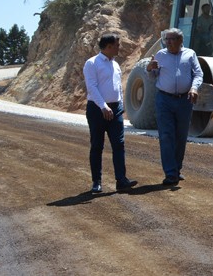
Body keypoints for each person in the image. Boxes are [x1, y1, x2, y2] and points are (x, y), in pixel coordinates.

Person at [147, 28, 203, 186]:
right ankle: (170, 173)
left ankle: (176, 169)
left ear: (180, 41)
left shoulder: (190, 54)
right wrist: (149, 68)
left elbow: (198, 74)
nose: (168, 42)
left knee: (181, 136)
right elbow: (152, 77)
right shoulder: (160, 55)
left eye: (172, 39)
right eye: (167, 39)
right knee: (166, 135)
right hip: (164, 100)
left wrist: (194, 88)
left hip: (185, 101)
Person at [83, 33, 137, 193]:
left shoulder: (115, 64)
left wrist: (120, 104)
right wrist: (103, 106)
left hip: (115, 110)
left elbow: (117, 86)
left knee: (119, 145)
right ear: (108, 46)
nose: (119, 48)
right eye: (116, 45)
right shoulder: (92, 63)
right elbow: (91, 87)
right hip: (97, 110)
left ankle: (121, 180)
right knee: (97, 146)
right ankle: (96, 182)